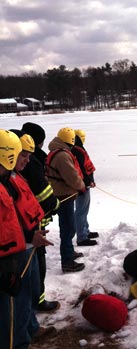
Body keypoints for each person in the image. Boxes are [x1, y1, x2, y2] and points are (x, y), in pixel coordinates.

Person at [0, 129, 49, 349]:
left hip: (13, 259)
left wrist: (30, 236)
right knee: (3, 341)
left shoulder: (6, 181)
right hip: (4, 271)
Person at [19, 122, 61, 313]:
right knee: (36, 266)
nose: (26, 160)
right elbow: (43, 194)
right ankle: (38, 301)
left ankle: (34, 305)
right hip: (30, 228)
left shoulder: (17, 168)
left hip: (27, 228)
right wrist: (55, 204)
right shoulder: (32, 164)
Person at [47, 127, 86, 273]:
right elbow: (72, 177)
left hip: (62, 194)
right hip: (64, 195)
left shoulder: (56, 151)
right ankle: (68, 261)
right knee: (68, 228)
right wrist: (81, 186)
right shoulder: (62, 155)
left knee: (68, 227)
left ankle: (69, 252)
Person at [72, 129, 98, 246]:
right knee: (81, 211)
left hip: (83, 184)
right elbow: (82, 169)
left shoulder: (77, 148)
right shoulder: (77, 150)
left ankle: (85, 231)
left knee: (83, 210)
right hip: (82, 185)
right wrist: (88, 182)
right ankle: (82, 237)